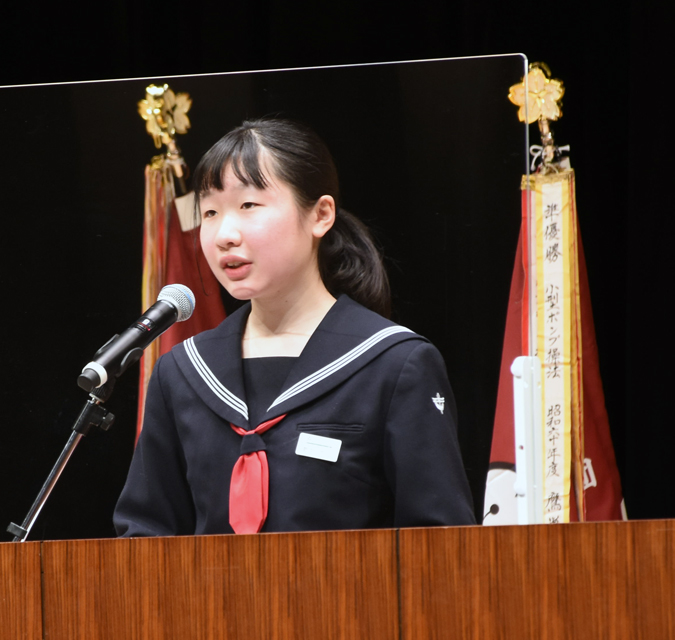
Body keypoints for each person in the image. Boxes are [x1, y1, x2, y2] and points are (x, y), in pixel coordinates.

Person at [114, 118, 475, 536]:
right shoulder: (182, 373)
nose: (224, 235)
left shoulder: (394, 365)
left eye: (249, 205)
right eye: (210, 211)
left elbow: (441, 545)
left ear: (320, 215)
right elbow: (145, 538)